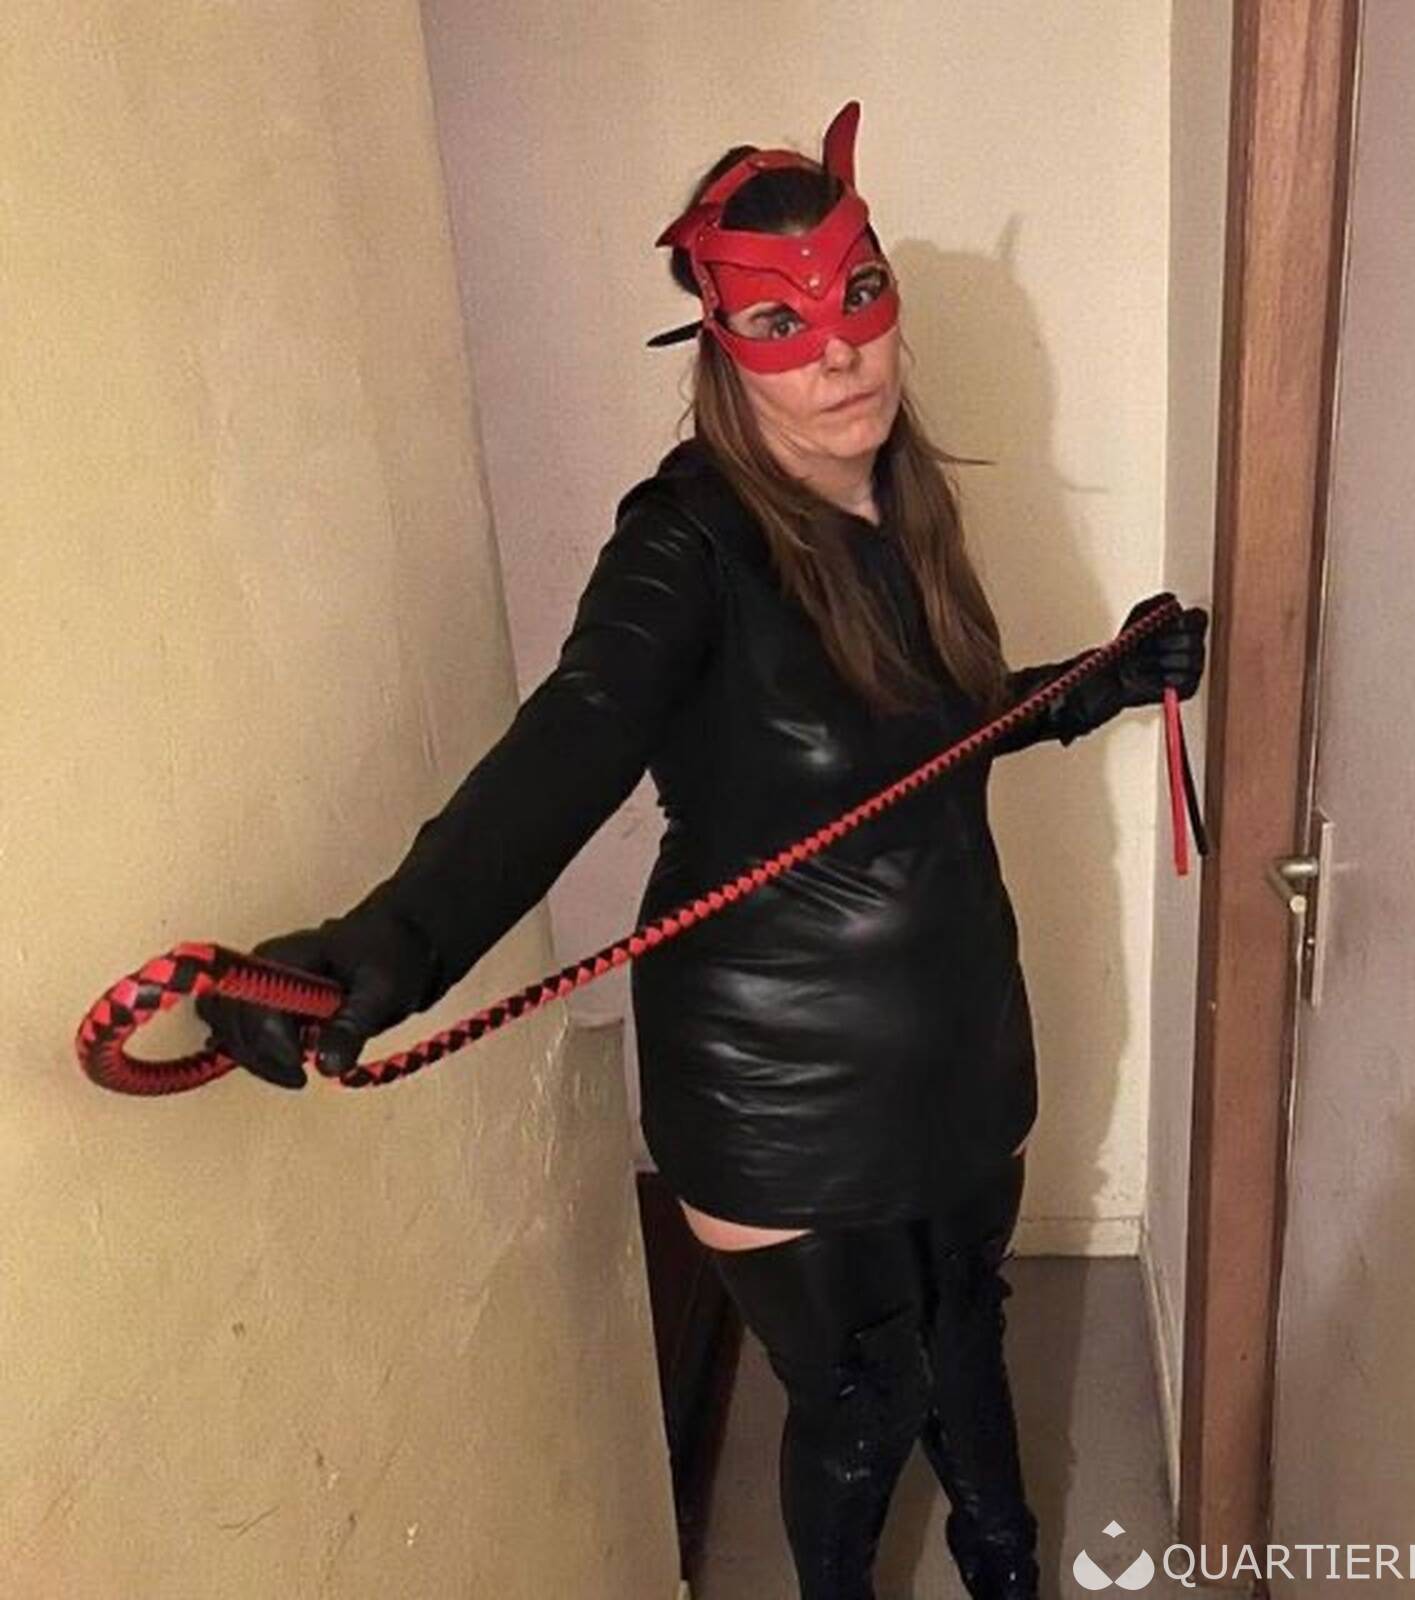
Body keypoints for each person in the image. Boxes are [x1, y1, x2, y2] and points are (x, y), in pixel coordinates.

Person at [199, 100, 1206, 1600]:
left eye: (858, 296)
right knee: (860, 1406)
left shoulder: (905, 500)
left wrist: (1092, 683)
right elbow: (572, 743)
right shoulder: (683, 541)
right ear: (722, 342)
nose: (838, 353)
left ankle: (1008, 1570)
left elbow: (915, 738)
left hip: (959, 1031)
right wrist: (382, 948)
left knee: (965, 1334)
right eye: (782, 323)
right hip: (774, 1077)